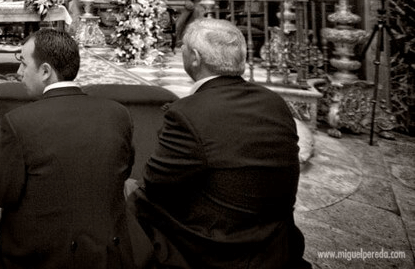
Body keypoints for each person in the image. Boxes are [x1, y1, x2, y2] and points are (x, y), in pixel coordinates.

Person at [132, 18, 311, 268]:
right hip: (276, 242)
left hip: (218, 250)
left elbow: (156, 184)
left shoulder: (187, 113)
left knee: (130, 196)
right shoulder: (274, 102)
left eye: (182, 47)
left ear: (194, 57)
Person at [0, 28, 137, 268]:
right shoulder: (117, 114)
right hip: (107, 253)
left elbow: (3, 194)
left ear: (45, 71)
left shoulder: (19, 122)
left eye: (23, 64)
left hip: (39, 256)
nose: (19, 72)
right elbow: (123, 172)